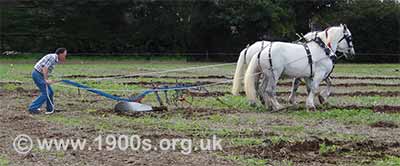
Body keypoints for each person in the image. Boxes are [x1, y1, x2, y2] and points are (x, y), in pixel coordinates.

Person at [28, 48, 67, 114]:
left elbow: (47, 70)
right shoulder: (52, 57)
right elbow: (44, 67)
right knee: (46, 92)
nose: (65, 56)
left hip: (40, 74)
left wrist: (51, 79)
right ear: (60, 54)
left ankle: (50, 109)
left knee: (50, 92)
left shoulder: (55, 59)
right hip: (37, 74)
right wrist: (46, 80)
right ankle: (33, 108)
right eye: (64, 55)